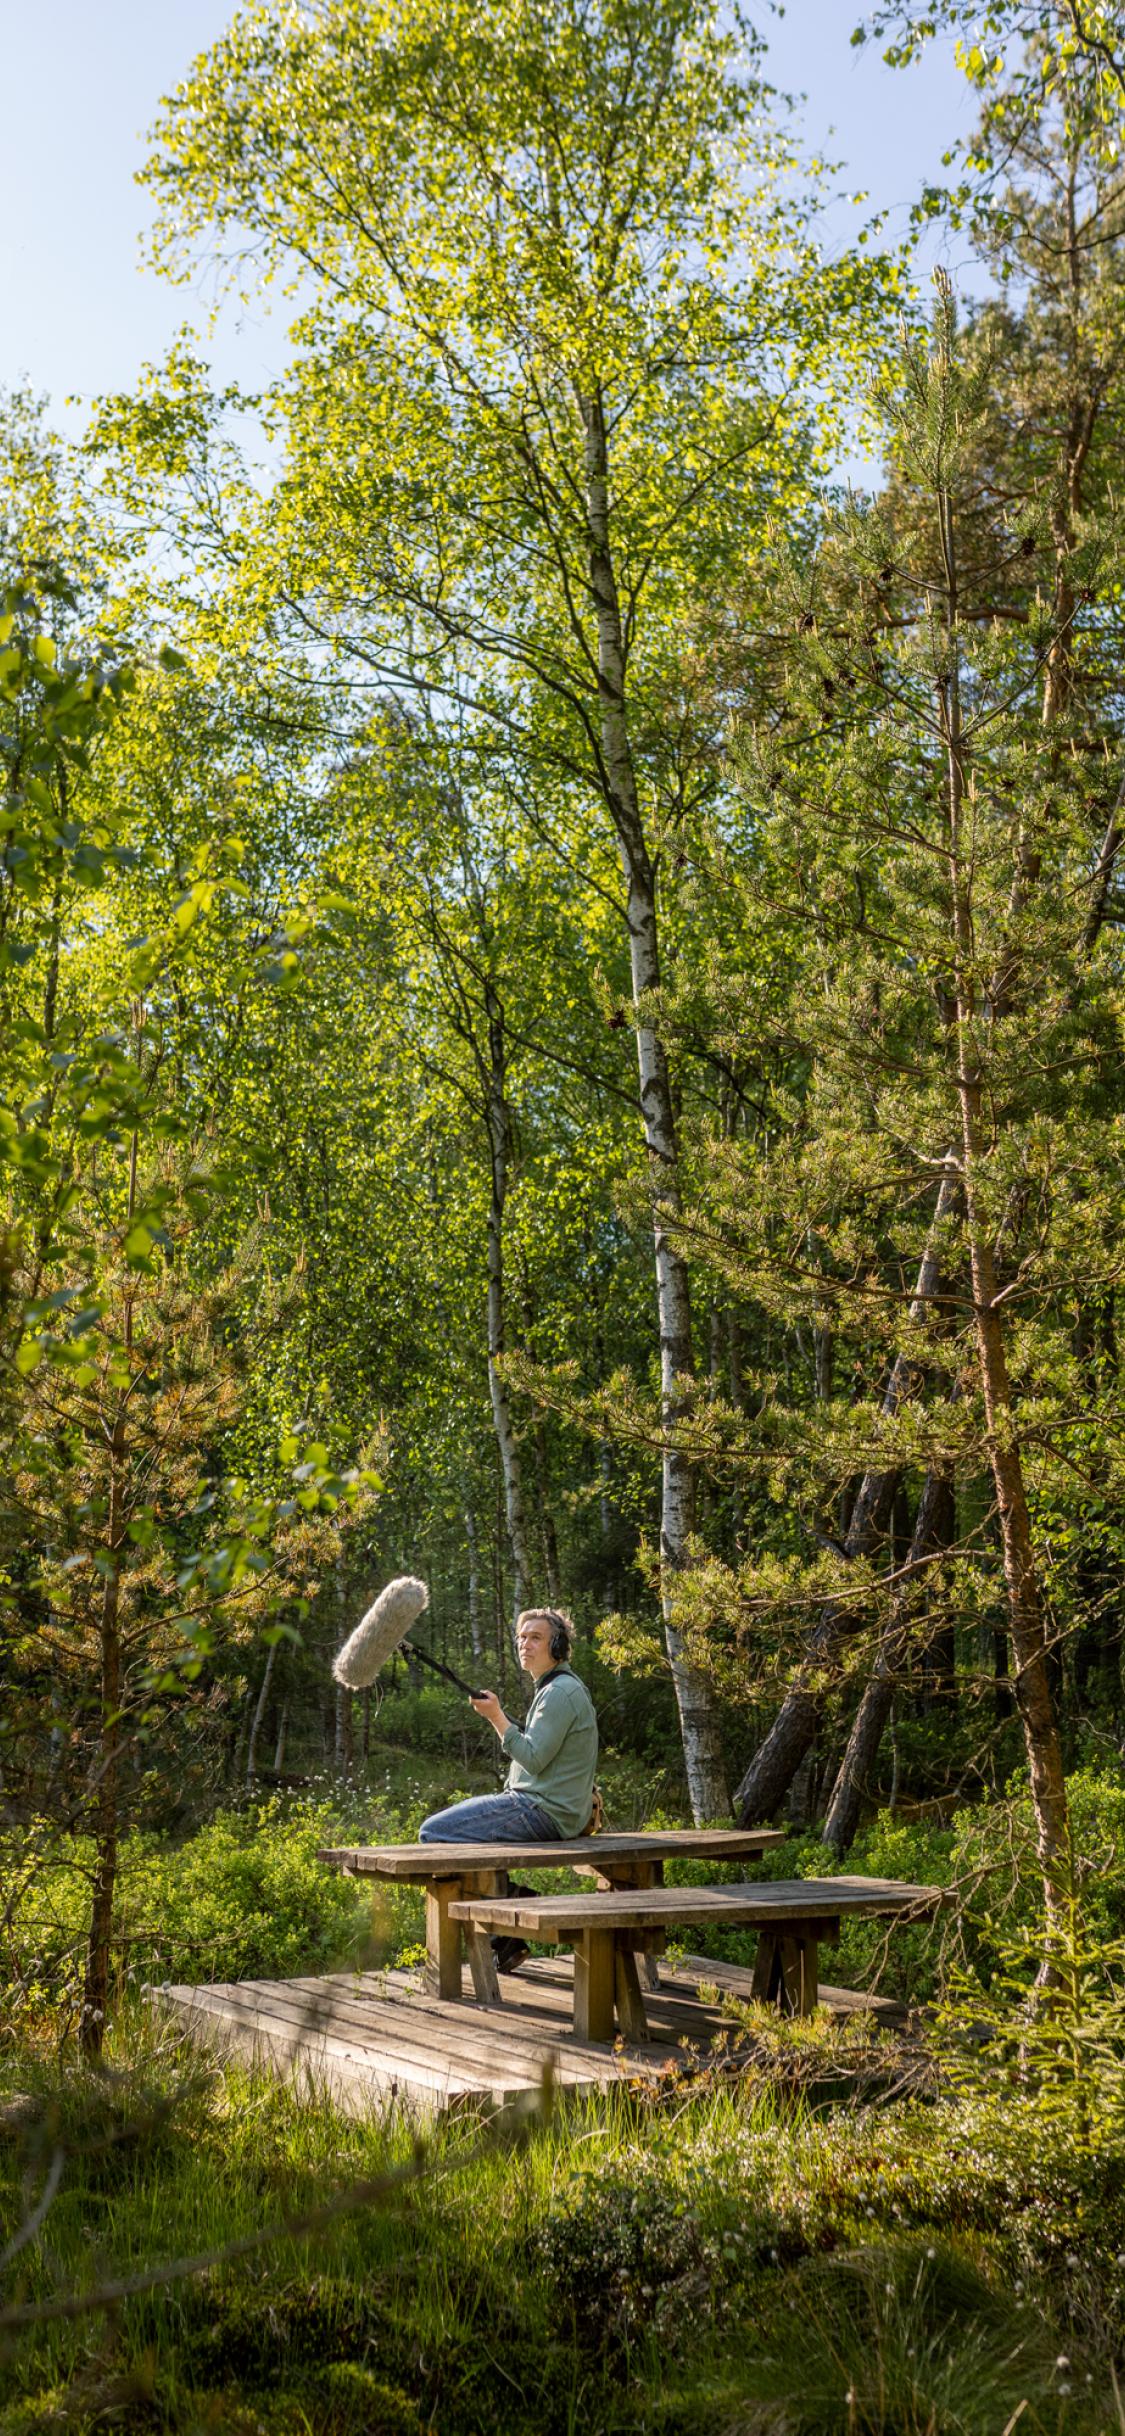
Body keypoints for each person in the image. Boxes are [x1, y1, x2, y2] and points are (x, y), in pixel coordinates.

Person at [418, 1607, 599, 1972]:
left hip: (541, 1811)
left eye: (536, 1637)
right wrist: (500, 1718)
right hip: (549, 1809)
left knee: (433, 1832)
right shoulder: (555, 1689)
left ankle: (511, 1904)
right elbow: (541, 1752)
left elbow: (532, 1758)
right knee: (449, 1834)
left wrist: (497, 1718)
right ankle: (507, 1937)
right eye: (521, 1637)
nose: (525, 1644)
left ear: (558, 1646)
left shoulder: (560, 1693)